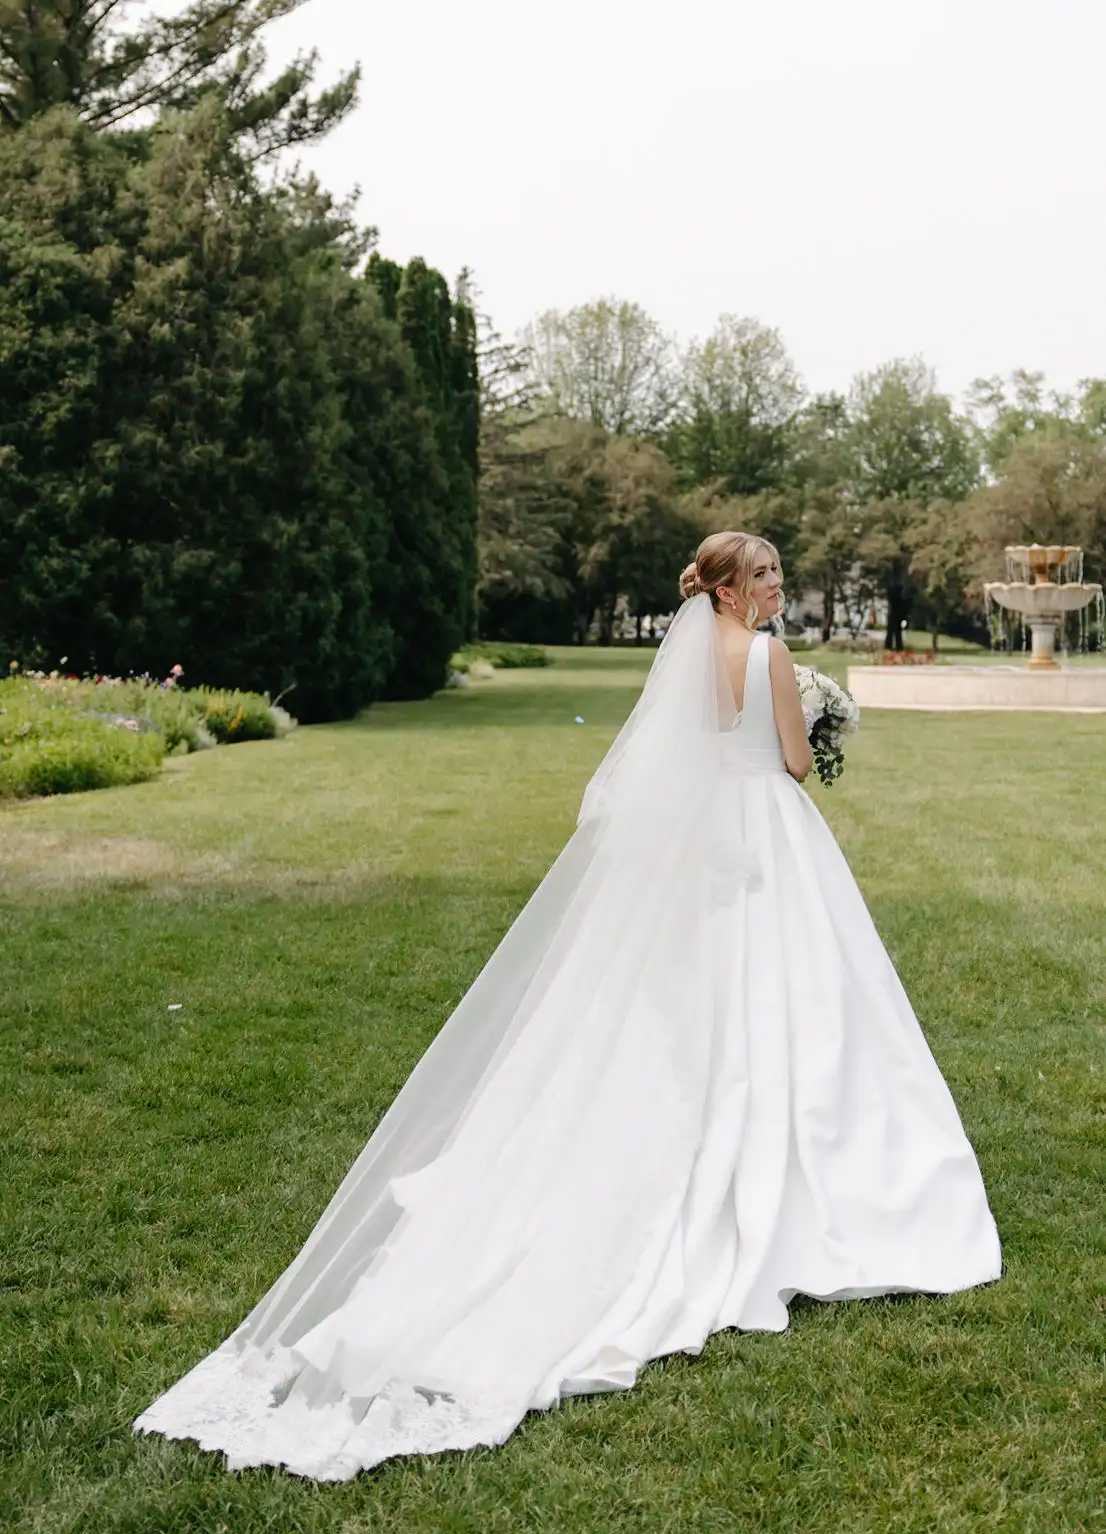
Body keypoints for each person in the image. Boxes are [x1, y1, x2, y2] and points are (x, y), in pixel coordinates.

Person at [134, 531, 1001, 1481]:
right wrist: (819, 724)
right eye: (762, 576)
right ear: (725, 590)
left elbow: (679, 755)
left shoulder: (687, 657)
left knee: (689, 994)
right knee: (794, 991)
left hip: (697, 845)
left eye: (776, 575)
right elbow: (792, 762)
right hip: (765, 836)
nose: (775, 587)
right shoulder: (771, 657)